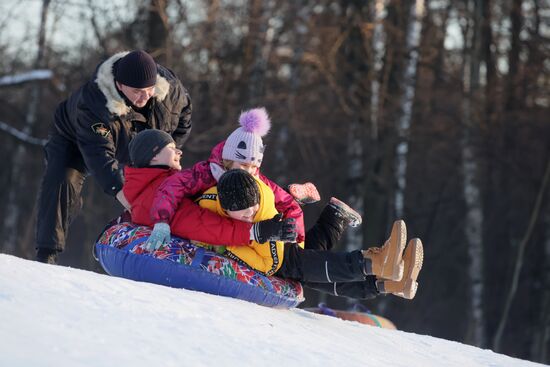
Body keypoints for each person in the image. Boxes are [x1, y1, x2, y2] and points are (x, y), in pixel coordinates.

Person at [35, 50, 193, 264]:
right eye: (138, 91)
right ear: (119, 85)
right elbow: (99, 157)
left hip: (135, 143)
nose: (145, 96)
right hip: (74, 138)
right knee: (62, 182)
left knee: (160, 192)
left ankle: (158, 253)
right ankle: (46, 254)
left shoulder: (170, 91)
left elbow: (184, 118)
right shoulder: (94, 104)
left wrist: (168, 151)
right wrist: (122, 193)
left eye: (149, 89)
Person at [145, 107, 361, 251]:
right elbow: (172, 187)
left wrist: (298, 240)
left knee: (283, 205)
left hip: (246, 222)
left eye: (253, 166)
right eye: (243, 165)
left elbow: (286, 205)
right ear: (228, 161)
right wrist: (162, 221)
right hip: (216, 221)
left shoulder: (258, 181)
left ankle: (298, 196)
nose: (248, 172)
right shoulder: (207, 172)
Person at [198, 169, 424, 300]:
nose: (250, 215)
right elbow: (267, 264)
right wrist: (225, 247)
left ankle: (382, 271)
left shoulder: (262, 201)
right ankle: (382, 274)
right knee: (308, 266)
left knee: (305, 264)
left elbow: (273, 260)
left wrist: (270, 232)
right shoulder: (209, 208)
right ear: (225, 209)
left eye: (253, 210)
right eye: (244, 213)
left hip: (274, 249)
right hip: (268, 254)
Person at [122, 129, 297, 248]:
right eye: (171, 148)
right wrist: (256, 232)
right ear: (152, 157)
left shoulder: (154, 186)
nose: (179, 152)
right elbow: (201, 224)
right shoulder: (156, 194)